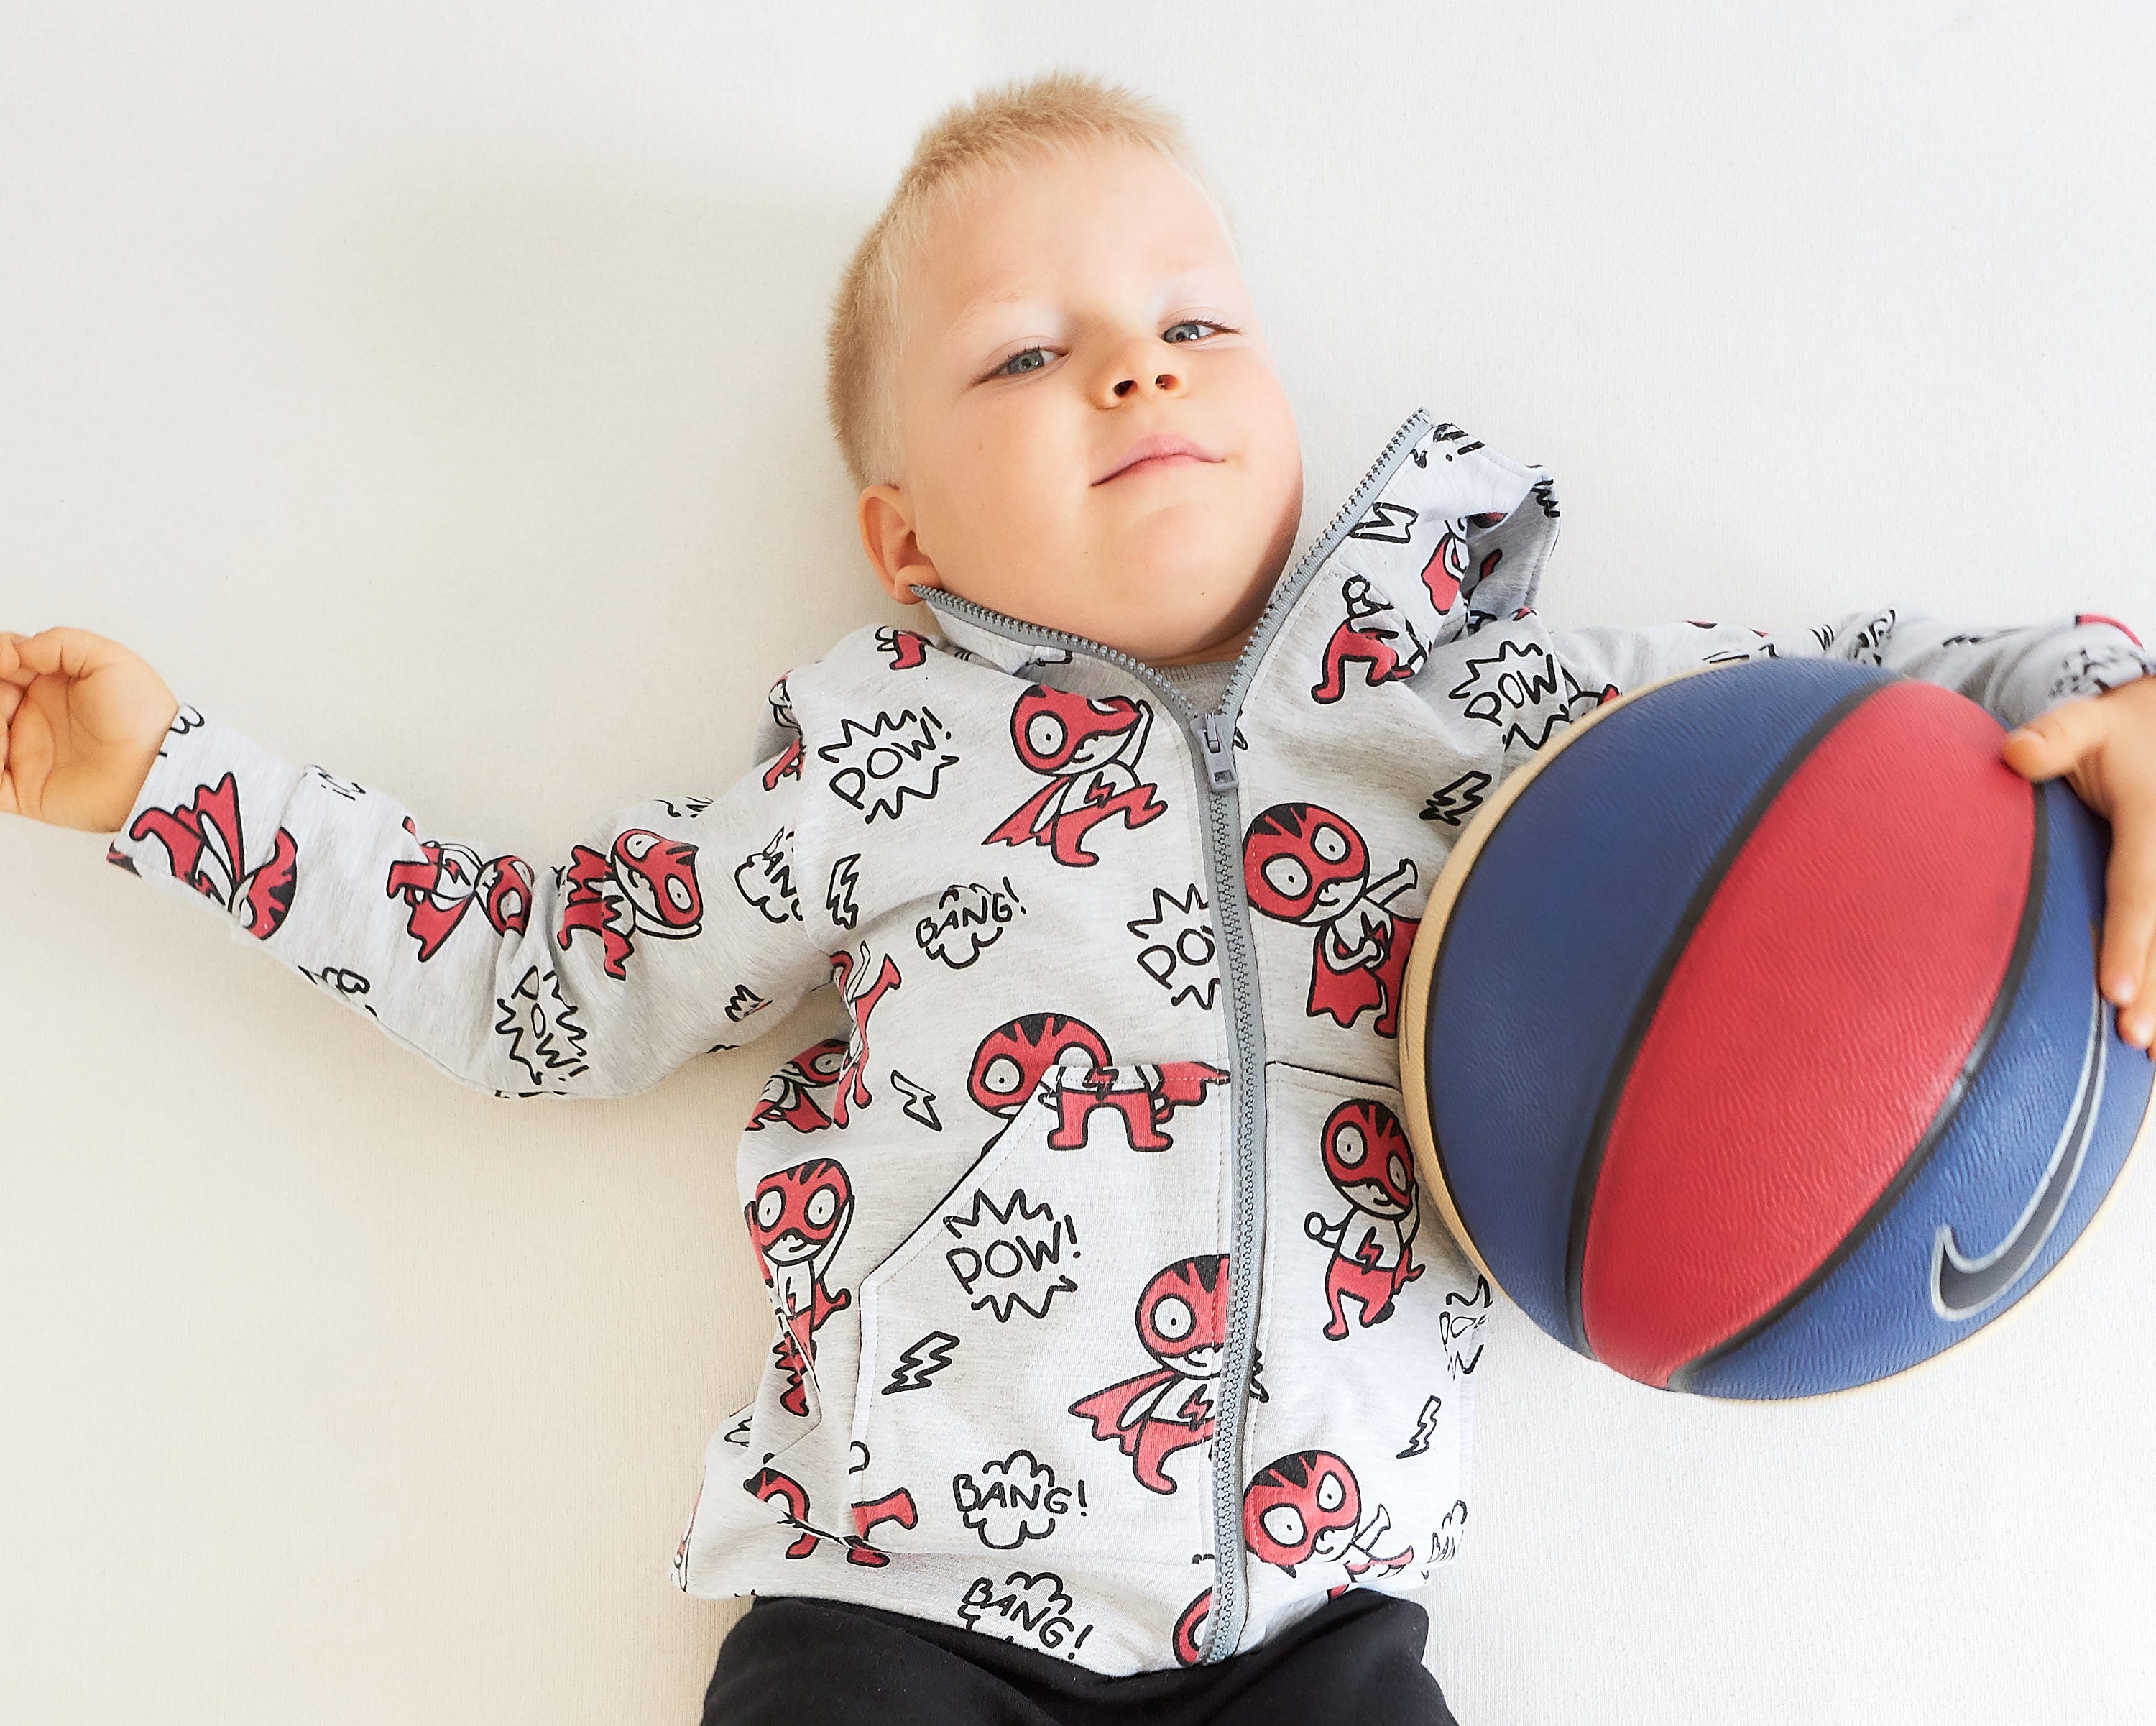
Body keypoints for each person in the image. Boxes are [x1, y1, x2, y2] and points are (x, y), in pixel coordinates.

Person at [8, 68, 2156, 1726]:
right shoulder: (870, 759)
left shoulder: (1514, 722)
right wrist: (173, 784)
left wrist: (2112, 702)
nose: (1132, 369)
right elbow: (544, 970)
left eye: (1189, 320)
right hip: (898, 1603)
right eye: (1025, 356)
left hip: (1314, 1627)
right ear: (902, 533)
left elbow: (1889, 696)